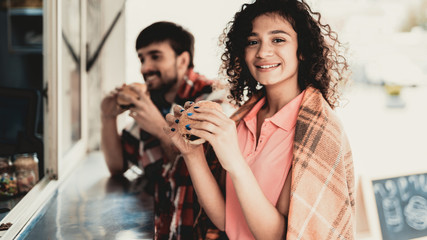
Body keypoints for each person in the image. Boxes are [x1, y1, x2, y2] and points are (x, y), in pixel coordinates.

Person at [164, 0, 355, 239]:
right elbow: (226, 219)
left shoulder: (319, 133)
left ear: (302, 50)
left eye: (278, 39)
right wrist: (192, 154)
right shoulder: (241, 120)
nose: (263, 52)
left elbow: (277, 235)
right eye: (253, 42)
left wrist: (234, 160)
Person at [100, 21, 226, 239]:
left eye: (155, 56)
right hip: (164, 227)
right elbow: (117, 165)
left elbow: (199, 171)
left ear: (183, 60)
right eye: (141, 58)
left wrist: (159, 127)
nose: (144, 68)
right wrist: (107, 117)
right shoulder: (152, 101)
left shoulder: (212, 99)